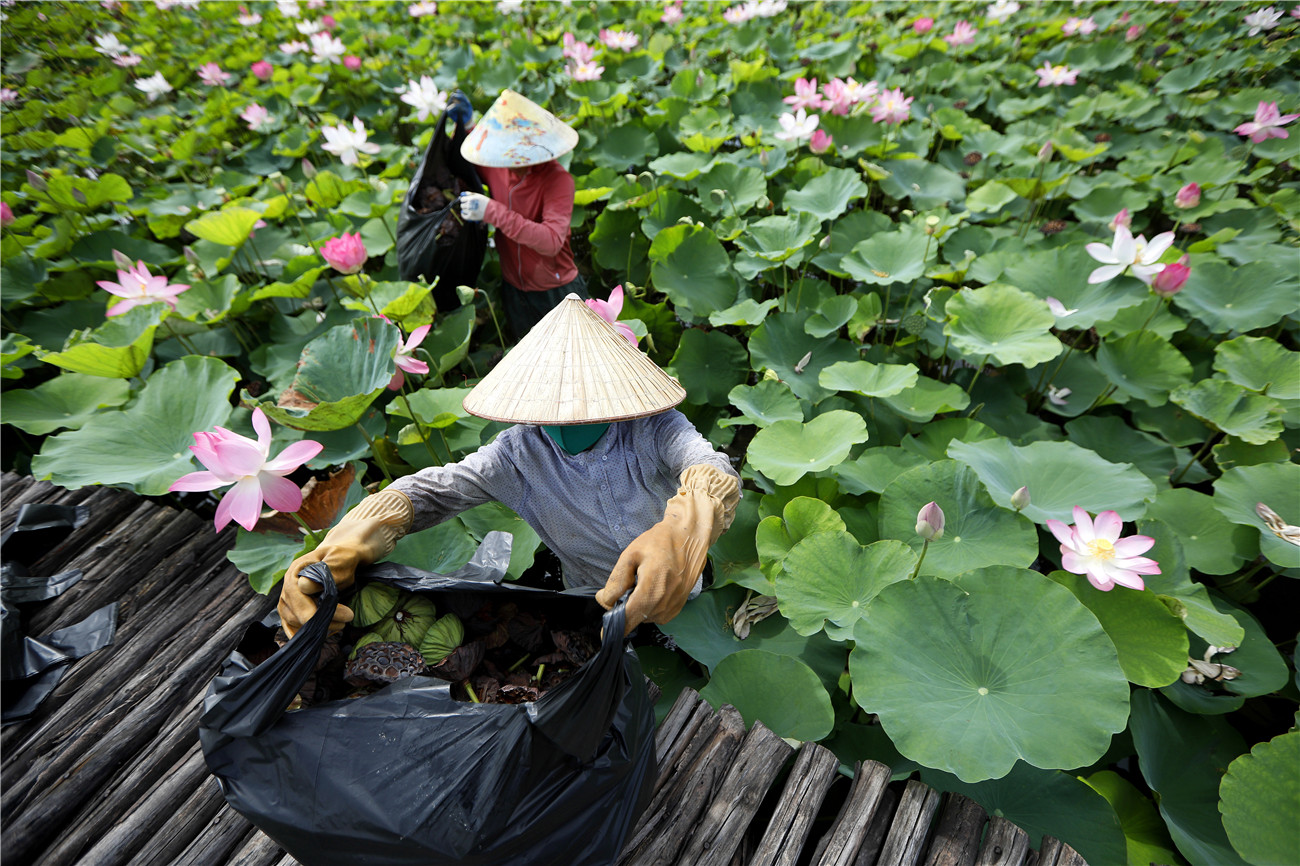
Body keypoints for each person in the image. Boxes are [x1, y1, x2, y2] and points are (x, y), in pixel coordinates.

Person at [278, 294, 741, 638]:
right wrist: (343, 542)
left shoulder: (654, 427)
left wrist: (681, 531)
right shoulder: (518, 454)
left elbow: (710, 469)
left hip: (683, 586)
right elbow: (433, 491)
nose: (563, 415)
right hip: (591, 597)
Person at [448, 89, 588, 341]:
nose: (504, 157)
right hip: (513, 287)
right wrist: (468, 125)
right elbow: (472, 156)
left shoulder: (558, 180)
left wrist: (492, 211)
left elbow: (552, 242)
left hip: (555, 289)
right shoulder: (497, 166)